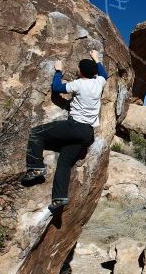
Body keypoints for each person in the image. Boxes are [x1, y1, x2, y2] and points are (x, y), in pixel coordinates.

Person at [21, 50, 108, 212]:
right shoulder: (99, 83)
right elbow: (104, 73)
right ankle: (59, 198)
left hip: (74, 126)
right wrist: (97, 59)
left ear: (80, 72)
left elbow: (56, 88)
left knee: (36, 133)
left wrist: (58, 71)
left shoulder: (79, 84)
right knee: (64, 163)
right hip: (87, 133)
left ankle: (35, 166)